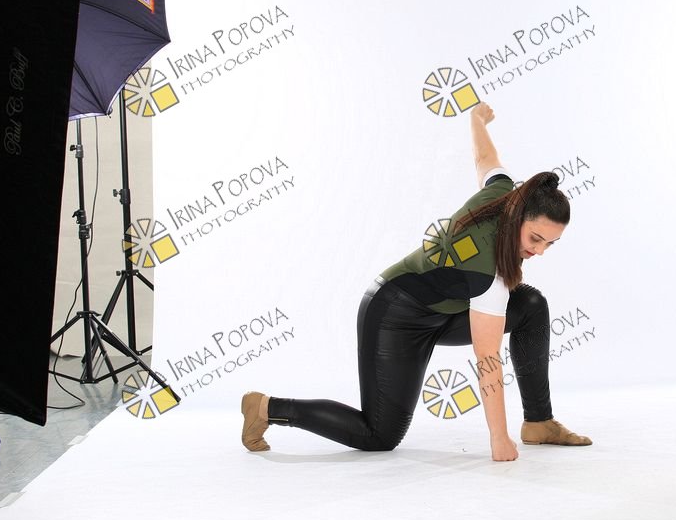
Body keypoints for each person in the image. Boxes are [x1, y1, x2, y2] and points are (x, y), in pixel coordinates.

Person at [240, 101, 591, 462]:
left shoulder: (503, 192)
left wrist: (476, 119)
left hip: (443, 312)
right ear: (517, 215)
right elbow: (487, 358)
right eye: (535, 238)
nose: (540, 251)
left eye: (551, 243)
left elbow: (484, 157)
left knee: (531, 305)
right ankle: (266, 407)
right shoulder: (487, 270)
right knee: (379, 435)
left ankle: (539, 422)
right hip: (394, 313)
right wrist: (498, 439)